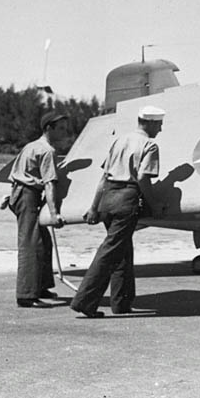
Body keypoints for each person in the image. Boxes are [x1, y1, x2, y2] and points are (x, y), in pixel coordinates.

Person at [70, 106, 166, 318]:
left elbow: (104, 177)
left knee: (122, 250)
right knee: (111, 251)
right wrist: (155, 204)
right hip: (126, 199)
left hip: (108, 199)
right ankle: (84, 302)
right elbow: (142, 178)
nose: (161, 128)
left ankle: (121, 302)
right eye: (159, 124)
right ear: (149, 123)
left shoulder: (119, 141)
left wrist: (94, 207)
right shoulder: (150, 145)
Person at [7, 111, 68, 308]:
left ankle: (40, 287)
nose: (65, 132)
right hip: (28, 196)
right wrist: (54, 214)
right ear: (48, 128)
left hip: (21, 194)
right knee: (31, 245)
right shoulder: (47, 151)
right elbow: (49, 185)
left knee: (43, 242)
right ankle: (26, 295)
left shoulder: (31, 146)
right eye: (61, 129)